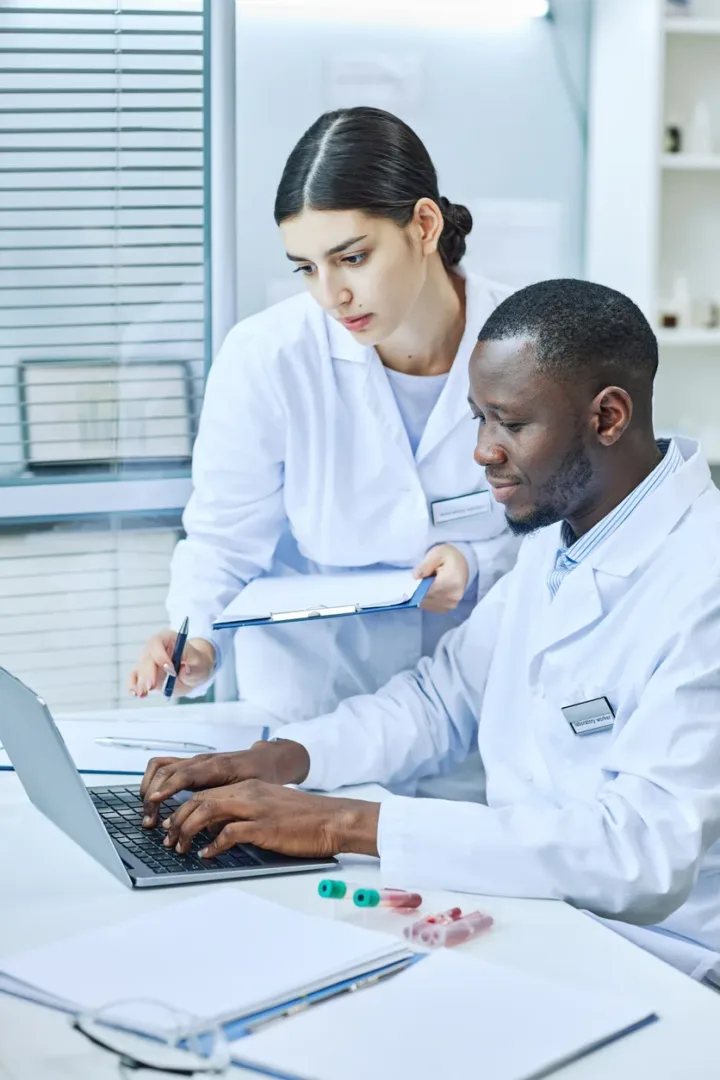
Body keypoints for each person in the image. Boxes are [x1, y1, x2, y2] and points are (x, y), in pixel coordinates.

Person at [139, 279, 720, 982]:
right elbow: (442, 698)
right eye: (477, 418)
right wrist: (282, 759)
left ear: (607, 417)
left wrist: (345, 823)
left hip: (662, 965)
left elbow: (641, 854)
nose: (482, 451)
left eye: (509, 422)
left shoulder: (702, 581)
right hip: (532, 924)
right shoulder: (562, 534)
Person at [128, 107, 518, 769]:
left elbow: (578, 533)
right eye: (306, 268)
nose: (332, 295)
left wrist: (480, 568)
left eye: (353, 258)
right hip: (307, 720)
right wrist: (196, 642)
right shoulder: (267, 356)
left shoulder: (529, 343)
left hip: (480, 715)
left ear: (424, 226)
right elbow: (223, 539)